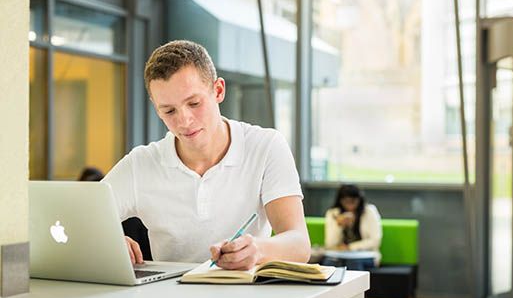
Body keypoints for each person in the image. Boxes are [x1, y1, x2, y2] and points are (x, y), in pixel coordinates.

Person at [102, 40, 311, 269]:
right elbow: (75, 222)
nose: (184, 120)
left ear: (218, 90)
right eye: (169, 110)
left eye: (194, 103)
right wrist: (107, 242)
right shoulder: (140, 164)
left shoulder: (266, 146)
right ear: (156, 108)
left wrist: (259, 250)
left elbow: (299, 244)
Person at [323, 184, 382, 269]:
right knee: (329, 262)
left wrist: (350, 247)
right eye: (346, 201)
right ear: (340, 201)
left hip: (366, 255)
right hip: (339, 254)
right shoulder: (333, 213)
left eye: (353, 201)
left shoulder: (369, 211)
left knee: (353, 263)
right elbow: (330, 243)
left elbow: (375, 241)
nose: (350, 205)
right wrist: (339, 225)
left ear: (359, 200)